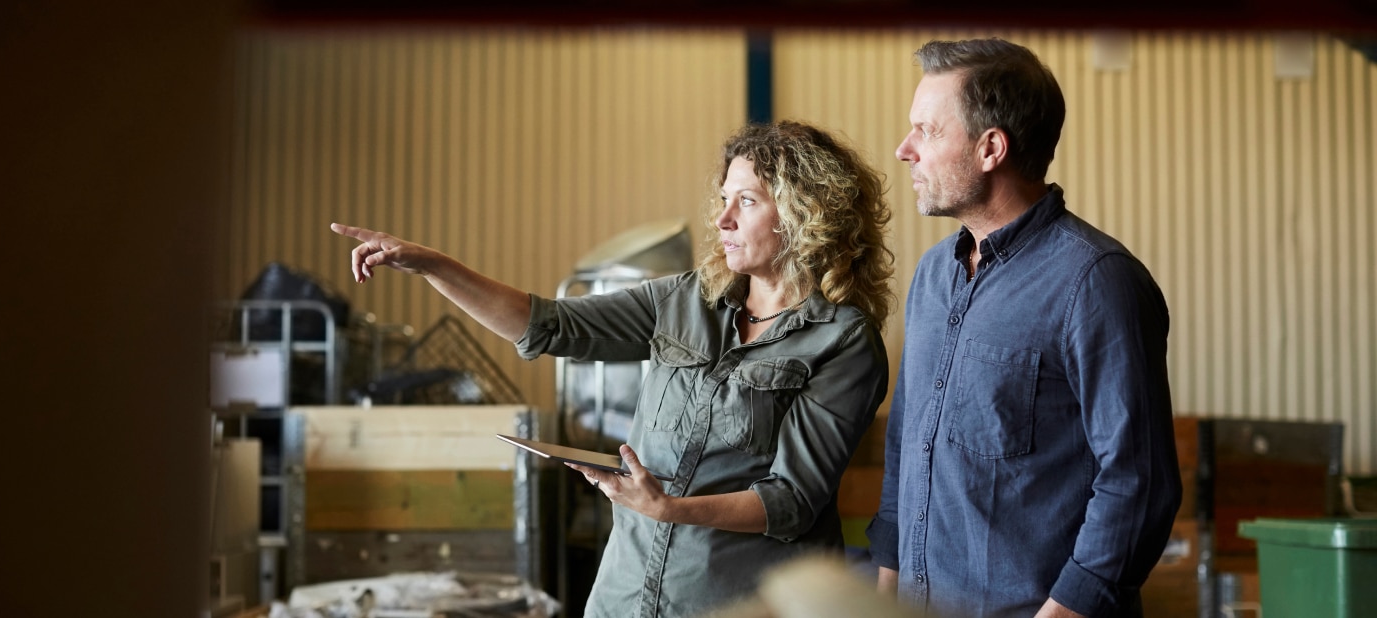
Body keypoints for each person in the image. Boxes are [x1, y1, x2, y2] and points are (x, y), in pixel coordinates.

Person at [332, 120, 896, 618]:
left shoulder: (842, 342)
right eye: (723, 198)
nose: (722, 218)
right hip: (625, 597)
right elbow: (547, 325)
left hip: (734, 603)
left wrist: (669, 509)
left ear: (804, 213)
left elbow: (792, 500)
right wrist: (433, 265)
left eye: (746, 201)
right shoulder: (685, 300)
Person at [867, 39, 1181, 618]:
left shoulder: (1097, 284)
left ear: (990, 148)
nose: (904, 149)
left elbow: (1139, 484)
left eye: (927, 131)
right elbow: (906, 443)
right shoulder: (934, 275)